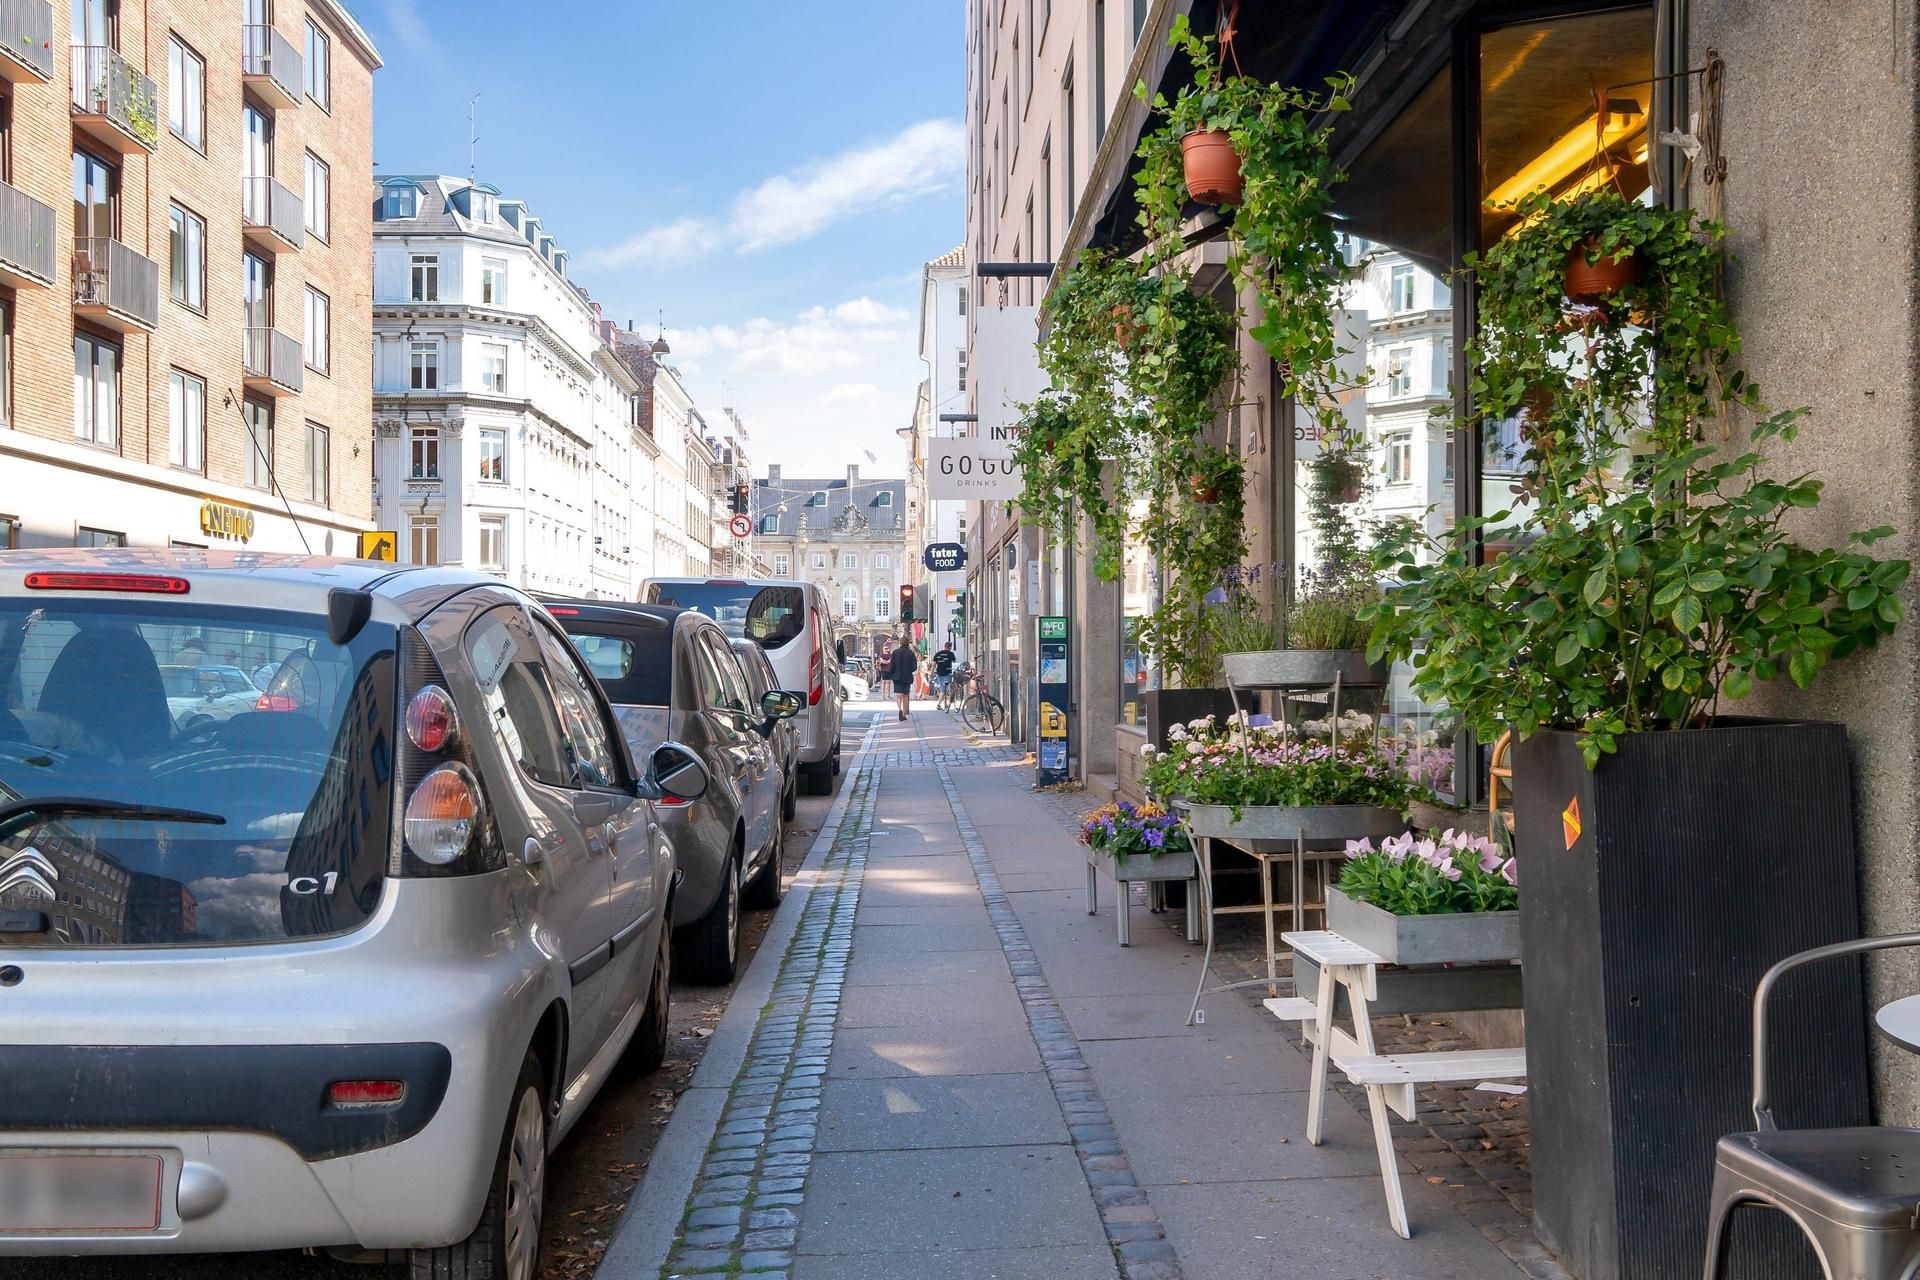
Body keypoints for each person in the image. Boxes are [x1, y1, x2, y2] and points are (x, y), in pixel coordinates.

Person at [885, 635, 918, 722]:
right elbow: (914, 667)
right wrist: (909, 669)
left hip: (897, 676)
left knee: (898, 695)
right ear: (907, 643)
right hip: (907, 676)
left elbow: (891, 665)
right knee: (906, 695)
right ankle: (903, 713)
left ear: (900, 643)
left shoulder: (895, 652)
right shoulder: (910, 653)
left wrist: (892, 675)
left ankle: (899, 709)